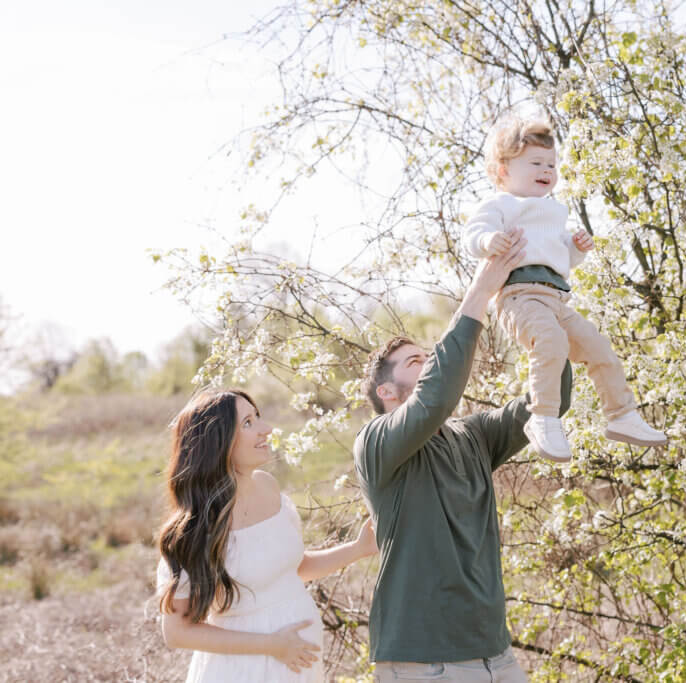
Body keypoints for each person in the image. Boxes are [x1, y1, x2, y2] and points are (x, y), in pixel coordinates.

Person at [355, 239, 569, 682]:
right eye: (416, 361)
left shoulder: (473, 435)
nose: (431, 362)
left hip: (496, 655)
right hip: (424, 662)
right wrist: (480, 291)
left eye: (430, 357)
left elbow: (552, 399)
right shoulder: (376, 443)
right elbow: (436, 396)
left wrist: (543, 314)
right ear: (387, 393)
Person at [463, 115, 667, 462]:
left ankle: (621, 415)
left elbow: (564, 261)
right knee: (551, 342)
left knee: (599, 347)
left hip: (557, 298)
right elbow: (473, 235)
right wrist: (488, 240)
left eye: (551, 164)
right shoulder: (501, 204)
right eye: (535, 163)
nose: (547, 169)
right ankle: (543, 417)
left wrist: (577, 247)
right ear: (503, 171)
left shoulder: (554, 211)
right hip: (520, 297)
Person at [155, 388, 378, 682]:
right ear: (217, 443)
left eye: (257, 417)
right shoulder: (194, 528)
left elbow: (293, 569)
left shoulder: (268, 487)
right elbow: (177, 632)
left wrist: (359, 548)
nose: (266, 429)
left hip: (297, 667)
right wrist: (272, 645)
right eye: (247, 423)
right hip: (241, 671)